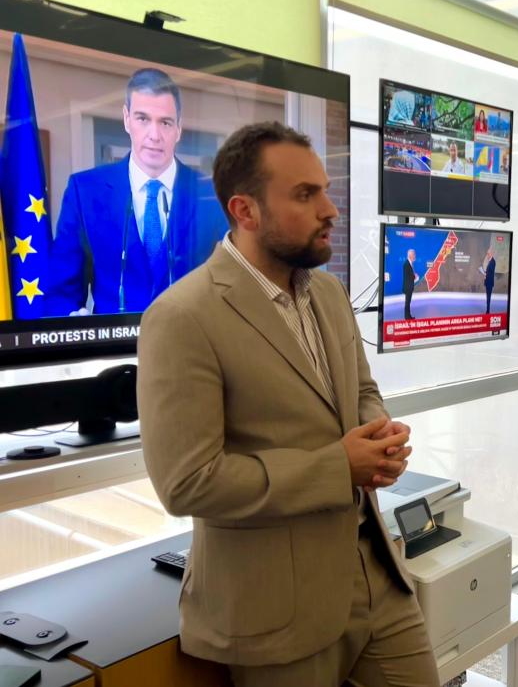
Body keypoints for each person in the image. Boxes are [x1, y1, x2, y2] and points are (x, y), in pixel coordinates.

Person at [137, 122, 440, 687]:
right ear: (245, 211)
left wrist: (377, 436)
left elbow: (360, 390)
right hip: (274, 611)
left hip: (377, 574)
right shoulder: (181, 318)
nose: (330, 210)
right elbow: (188, 483)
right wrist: (339, 467)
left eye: (325, 190)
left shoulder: (329, 291)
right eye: (305, 195)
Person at [47, 68, 228, 315]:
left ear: (178, 128)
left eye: (165, 122)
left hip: (189, 338)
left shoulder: (213, 193)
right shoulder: (85, 191)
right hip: (114, 340)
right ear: (127, 119)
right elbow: (61, 293)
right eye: (143, 119)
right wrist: (72, 323)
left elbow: (230, 282)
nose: (154, 135)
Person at [403, 248, 418, 320]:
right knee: (407, 303)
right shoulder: (406, 264)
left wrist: (414, 276)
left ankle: (408, 316)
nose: (415, 256)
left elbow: (410, 275)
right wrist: (415, 276)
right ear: (410, 255)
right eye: (414, 255)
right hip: (408, 287)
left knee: (408, 302)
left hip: (409, 287)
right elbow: (408, 276)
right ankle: (407, 317)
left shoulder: (409, 263)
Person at [481, 247, 496, 314]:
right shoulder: (490, 261)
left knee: (488, 297)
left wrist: (486, 274)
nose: (487, 255)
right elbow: (489, 272)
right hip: (488, 282)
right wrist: (485, 274)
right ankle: (487, 310)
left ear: (491, 254)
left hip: (489, 282)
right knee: (488, 296)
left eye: (488, 253)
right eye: (487, 253)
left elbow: (491, 272)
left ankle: (488, 311)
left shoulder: (493, 262)